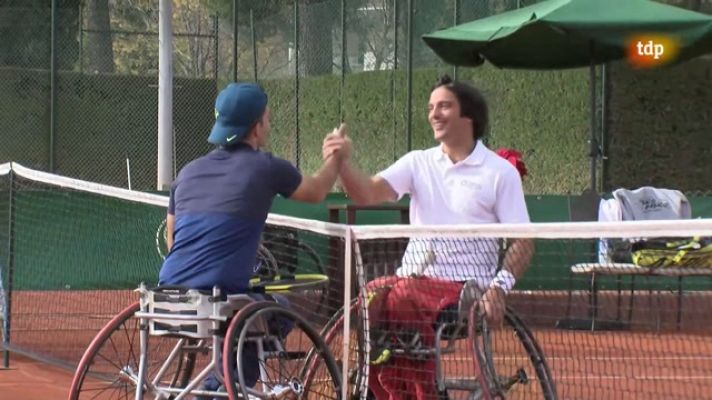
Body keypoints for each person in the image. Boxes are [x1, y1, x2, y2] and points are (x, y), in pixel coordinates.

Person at [322, 75, 534, 399]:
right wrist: (341, 164)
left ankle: (422, 394)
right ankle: (386, 390)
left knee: (399, 296)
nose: (434, 113)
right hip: (410, 282)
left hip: (466, 289)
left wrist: (499, 288)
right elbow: (366, 193)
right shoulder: (417, 162)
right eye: (431, 107)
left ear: (469, 117)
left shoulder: (499, 172)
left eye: (444, 106)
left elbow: (523, 241)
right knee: (371, 299)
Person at [158, 82, 345, 397]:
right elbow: (316, 191)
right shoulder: (267, 167)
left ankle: (224, 371)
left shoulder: (187, 172)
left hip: (167, 295)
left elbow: (171, 236)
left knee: (240, 313)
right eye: (267, 119)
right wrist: (336, 159)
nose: (268, 126)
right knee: (277, 310)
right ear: (256, 127)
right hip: (224, 300)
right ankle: (223, 386)